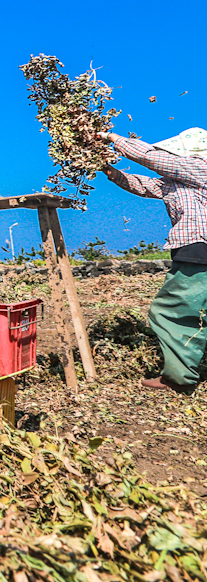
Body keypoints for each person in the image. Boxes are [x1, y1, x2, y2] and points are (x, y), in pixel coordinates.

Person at [99, 128, 207, 393]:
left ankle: (179, 379)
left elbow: (153, 159)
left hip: (199, 249)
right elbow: (141, 184)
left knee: (174, 311)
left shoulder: (198, 167)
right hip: (193, 250)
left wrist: (113, 138)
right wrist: (106, 169)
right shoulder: (178, 179)